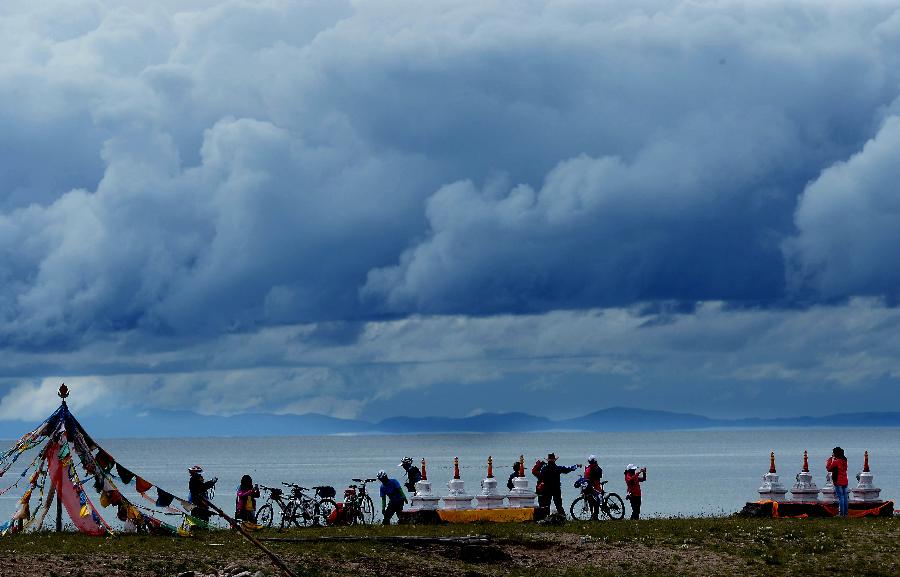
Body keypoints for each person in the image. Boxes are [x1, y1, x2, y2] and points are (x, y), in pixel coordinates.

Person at [538, 453, 580, 517]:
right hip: (556, 489)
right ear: (554, 460)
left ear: (548, 460)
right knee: (558, 505)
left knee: (546, 505)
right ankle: (563, 517)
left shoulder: (544, 469)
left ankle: (546, 517)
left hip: (546, 489)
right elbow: (568, 469)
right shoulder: (557, 468)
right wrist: (577, 465)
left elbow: (540, 479)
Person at [826, 447, 849, 517]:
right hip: (845, 480)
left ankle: (841, 514)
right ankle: (845, 513)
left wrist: (830, 459)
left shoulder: (836, 461)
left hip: (838, 480)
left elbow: (829, 468)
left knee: (841, 497)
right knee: (845, 497)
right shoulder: (844, 461)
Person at [584, 455, 603, 520]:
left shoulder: (590, 468)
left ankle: (594, 515)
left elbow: (586, 478)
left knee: (593, 501)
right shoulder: (597, 468)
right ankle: (595, 515)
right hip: (595, 487)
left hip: (593, 487)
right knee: (595, 502)